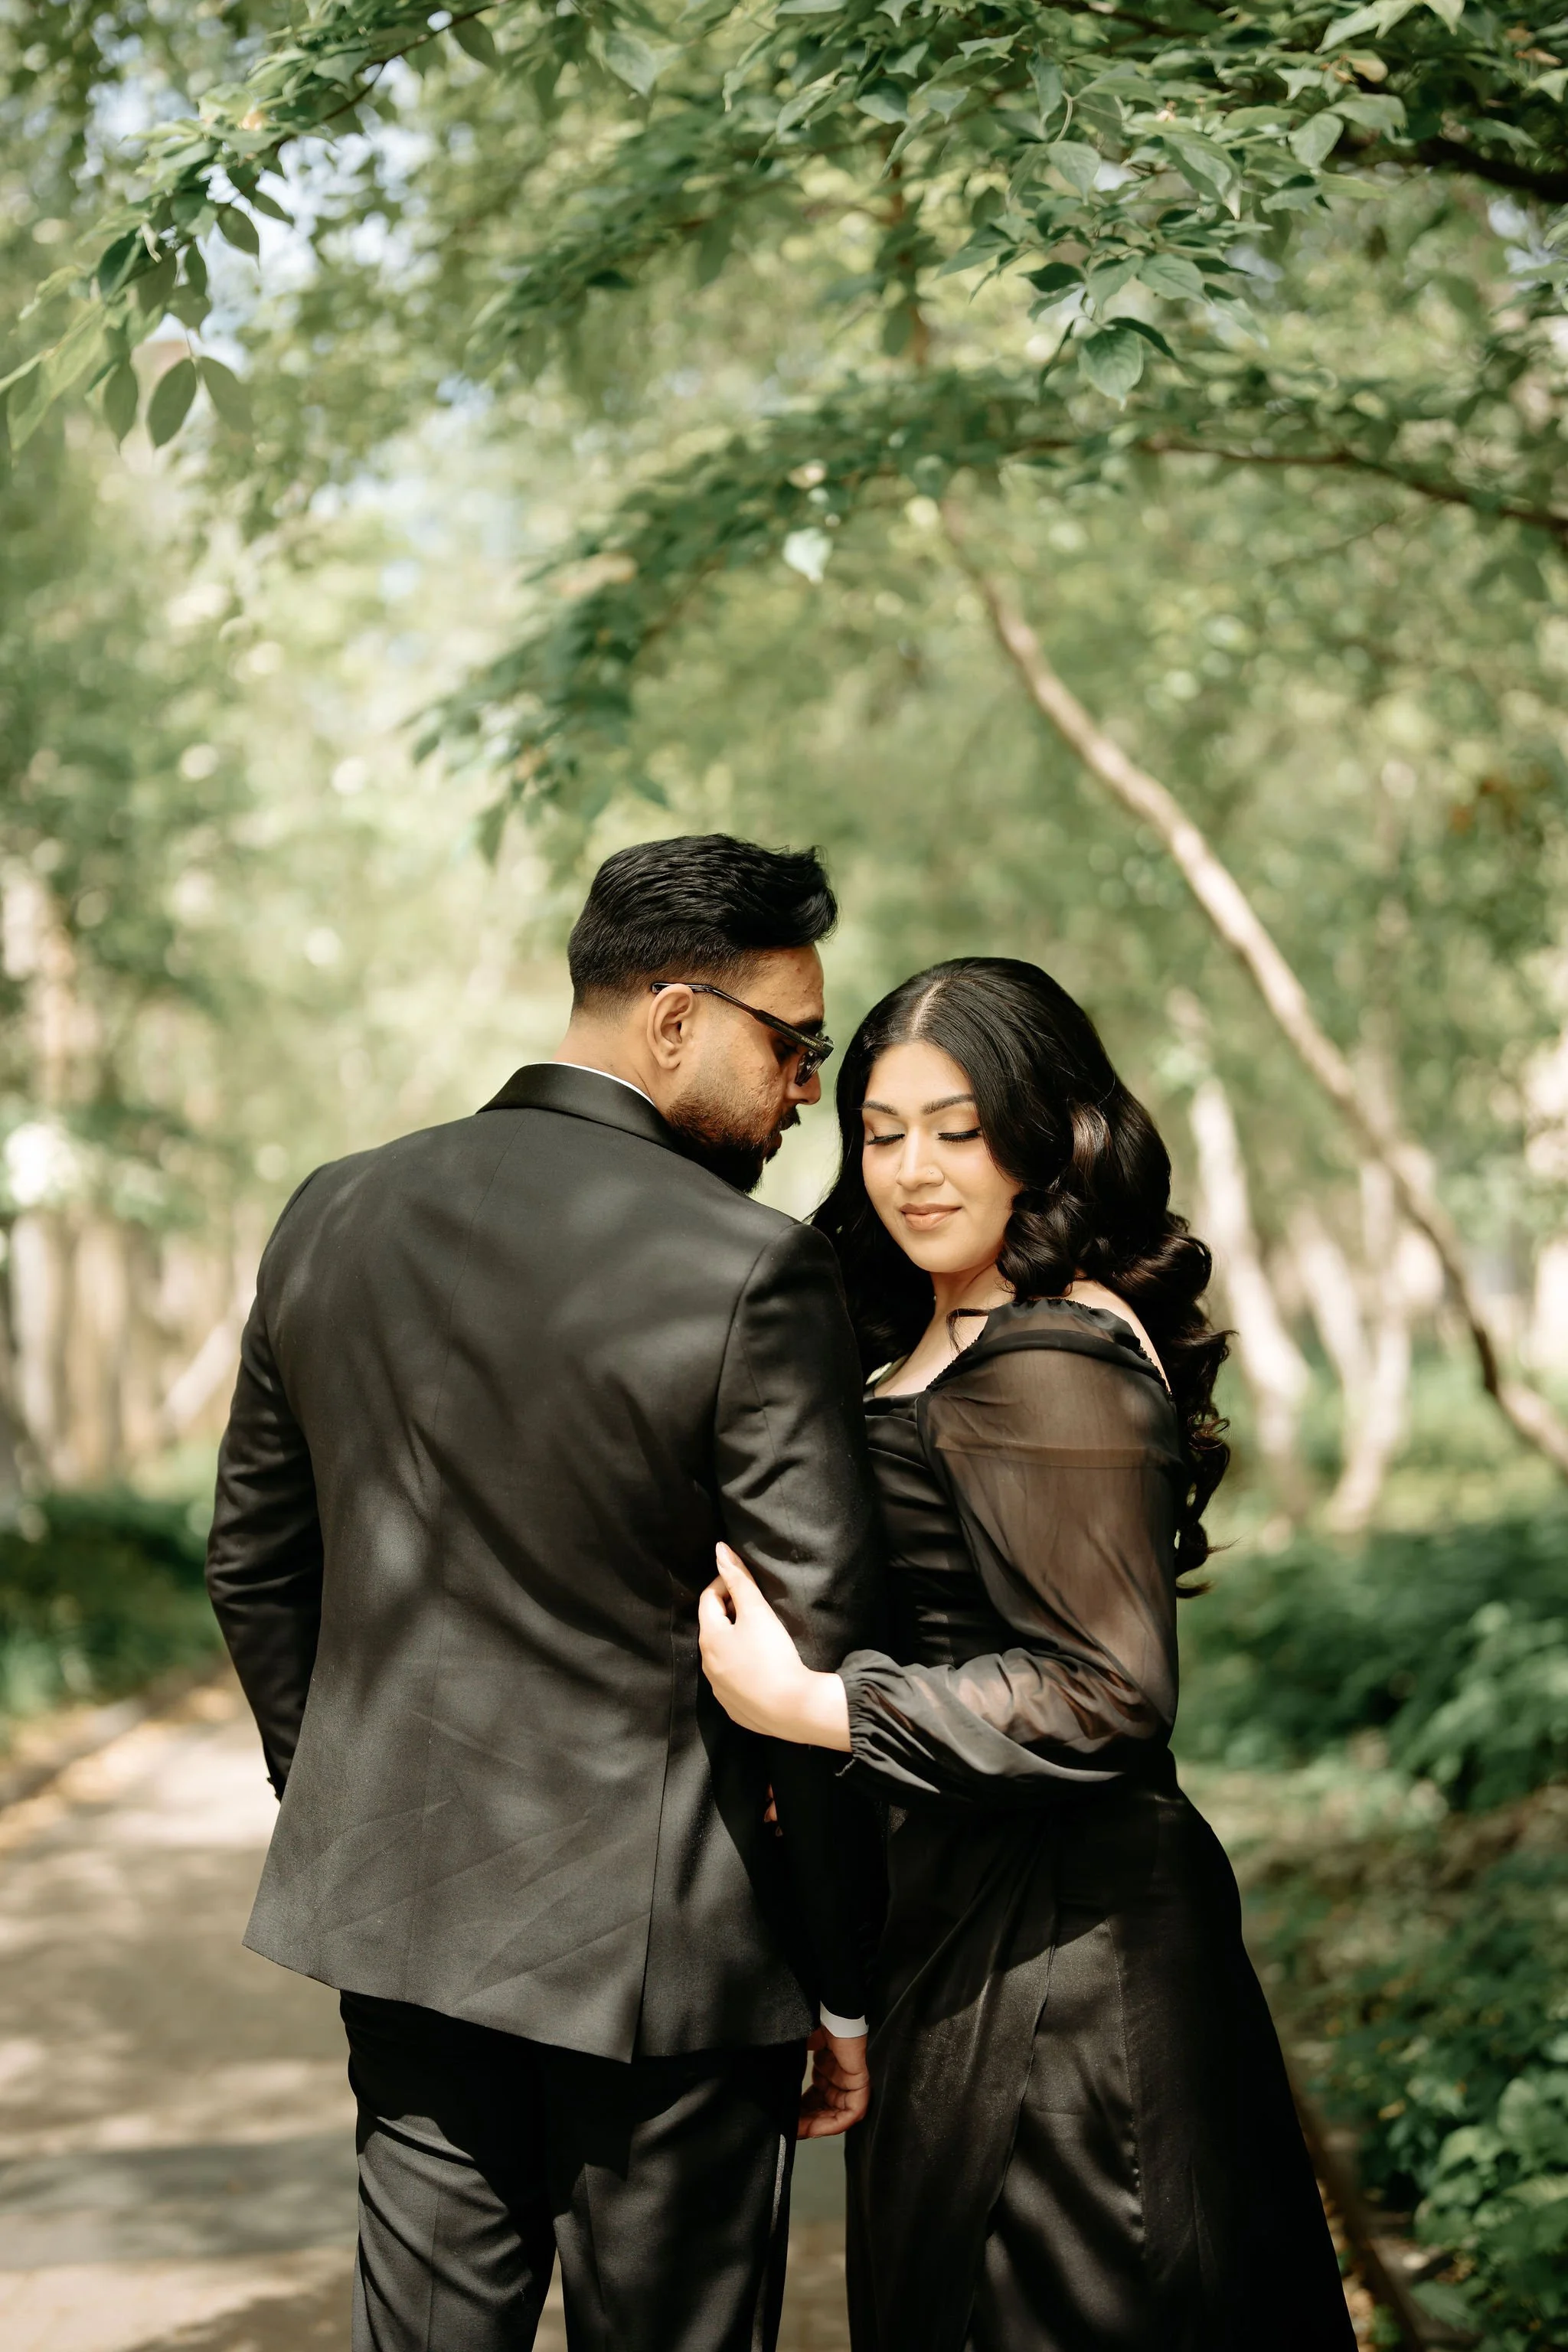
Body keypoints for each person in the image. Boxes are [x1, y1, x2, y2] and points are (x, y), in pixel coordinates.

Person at [206, 835, 882, 2352]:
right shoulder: (752, 1272)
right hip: (676, 1980)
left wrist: (359, 1807)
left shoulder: (332, 1211)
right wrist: (842, 1987)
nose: (800, 1092)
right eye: (793, 1045)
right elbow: (813, 1654)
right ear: (672, 1017)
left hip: (403, 1938)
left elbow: (254, 1565)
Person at [698, 956, 1357, 2352]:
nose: (914, 1170)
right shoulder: (943, 1322)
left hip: (1074, 1957)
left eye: (960, 1126)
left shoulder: (1054, 1351)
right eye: (883, 1131)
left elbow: (1107, 1690)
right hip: (965, 1927)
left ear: (1049, 1133)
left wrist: (817, 1705)